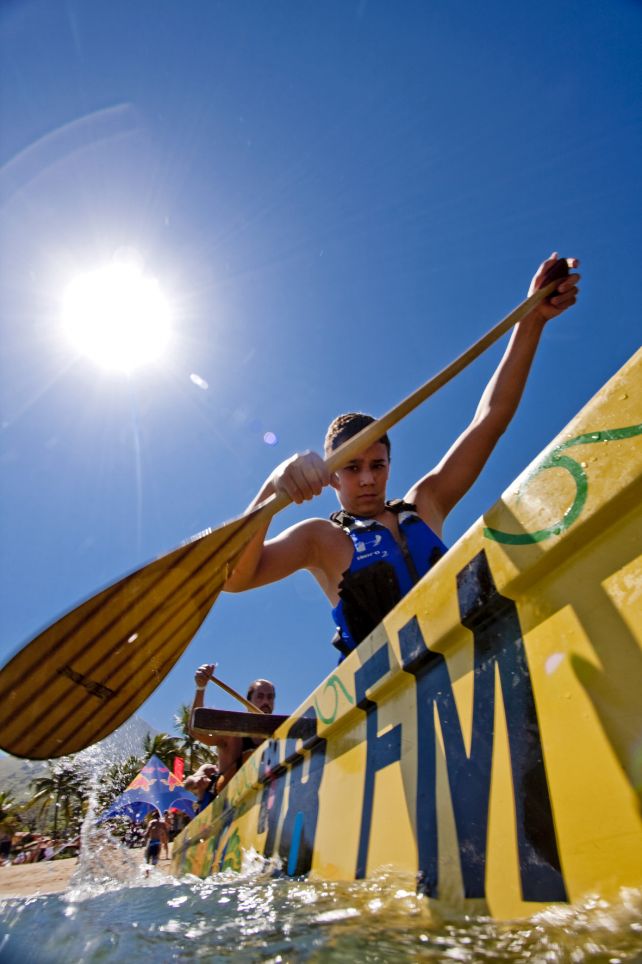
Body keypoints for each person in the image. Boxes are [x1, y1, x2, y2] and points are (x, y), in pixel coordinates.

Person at [223, 254, 581, 657]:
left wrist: (531, 320)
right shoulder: (319, 540)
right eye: (352, 468)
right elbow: (235, 578)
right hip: (391, 703)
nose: (367, 479)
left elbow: (489, 420)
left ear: (389, 467)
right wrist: (274, 486)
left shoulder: (426, 504)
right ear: (332, 478)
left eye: (377, 465)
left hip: (473, 666)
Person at [188, 665, 276, 793]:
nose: (266, 702)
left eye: (270, 697)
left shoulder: (279, 737)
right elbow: (196, 731)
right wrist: (200, 688)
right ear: (249, 702)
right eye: (260, 696)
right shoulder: (232, 735)